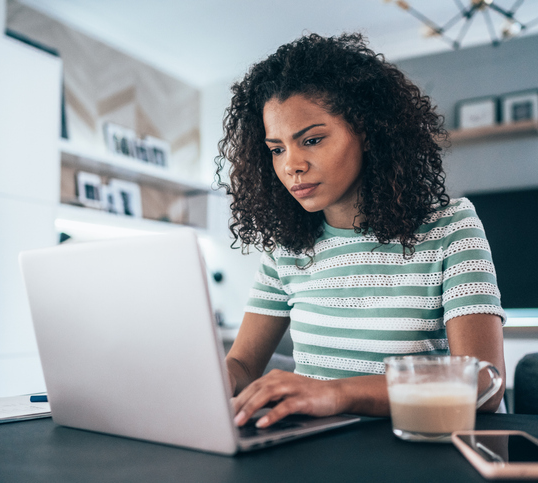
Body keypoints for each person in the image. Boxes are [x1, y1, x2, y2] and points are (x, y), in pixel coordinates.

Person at [214, 33, 506, 430]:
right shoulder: (286, 249)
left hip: (423, 447)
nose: (291, 165)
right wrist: (211, 378)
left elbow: (486, 383)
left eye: (312, 140)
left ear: (366, 132)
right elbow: (244, 364)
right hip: (316, 451)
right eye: (277, 148)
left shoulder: (451, 227)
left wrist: (336, 393)